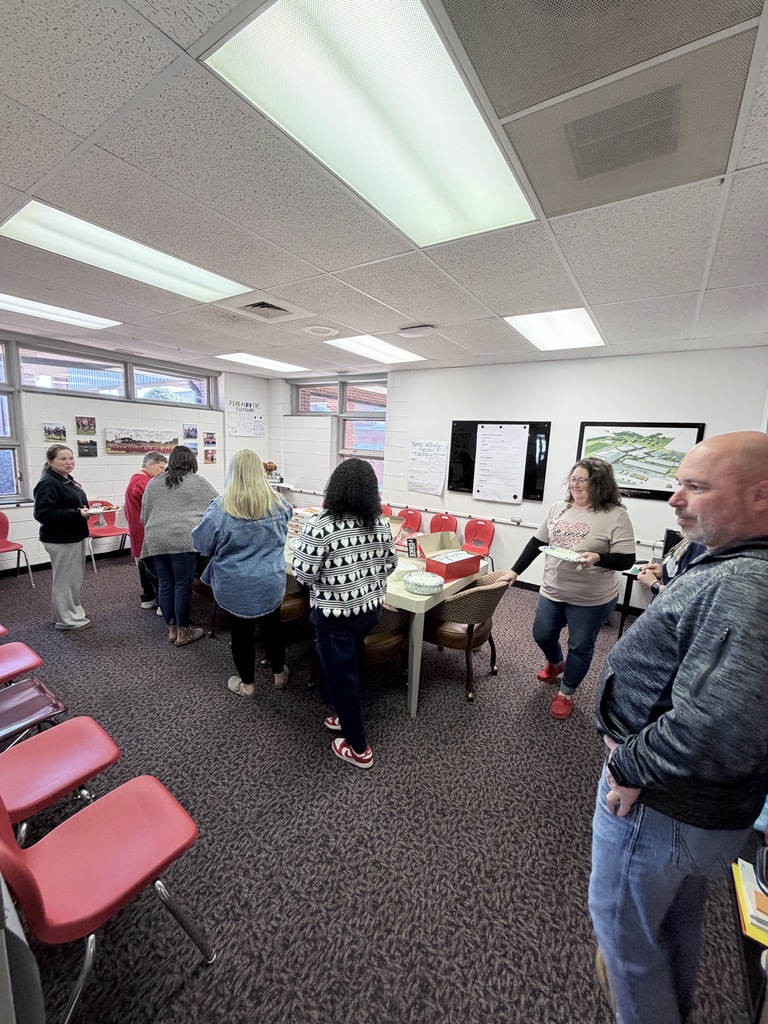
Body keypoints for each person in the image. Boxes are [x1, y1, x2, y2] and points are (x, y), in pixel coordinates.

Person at [589, 431, 768, 1024]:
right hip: (691, 806)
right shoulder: (733, 564)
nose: (675, 499)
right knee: (670, 924)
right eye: (677, 483)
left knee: (626, 942)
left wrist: (628, 766)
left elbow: (716, 723)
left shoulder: (745, 586)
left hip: (659, 800)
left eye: (695, 486)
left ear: (761, 497)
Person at [499, 457, 635, 719]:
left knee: (580, 646)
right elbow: (538, 541)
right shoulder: (559, 508)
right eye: (573, 479)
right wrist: (515, 570)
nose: (575, 484)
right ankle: (555, 663)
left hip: (591, 598)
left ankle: (566, 692)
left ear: (599, 484)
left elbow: (627, 559)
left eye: (582, 480)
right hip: (553, 589)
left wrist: (598, 557)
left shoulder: (615, 515)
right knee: (542, 634)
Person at [292, 459, 398, 769]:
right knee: (344, 665)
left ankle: (359, 748)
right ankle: (343, 711)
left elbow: (302, 574)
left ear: (334, 487)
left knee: (342, 676)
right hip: (368, 611)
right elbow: (390, 565)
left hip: (334, 616)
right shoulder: (379, 522)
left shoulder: (322, 524)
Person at [191, 450, 292, 695]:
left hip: (236, 585)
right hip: (271, 580)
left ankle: (247, 685)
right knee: (273, 629)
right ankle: (279, 675)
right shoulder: (280, 503)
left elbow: (201, 544)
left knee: (242, 635)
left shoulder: (220, 508)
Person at [140, 445, 217, 647]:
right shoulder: (197, 482)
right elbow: (218, 507)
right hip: (183, 537)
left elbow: (143, 516)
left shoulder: (154, 482)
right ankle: (183, 632)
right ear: (192, 462)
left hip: (155, 538)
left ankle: (172, 629)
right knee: (182, 585)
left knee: (165, 583)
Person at [33, 444, 92, 630]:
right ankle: (67, 620)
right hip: (60, 538)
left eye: (71, 458)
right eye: (63, 459)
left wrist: (82, 511)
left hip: (73, 535)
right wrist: (77, 514)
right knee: (65, 581)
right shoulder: (48, 483)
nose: (69, 462)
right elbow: (43, 514)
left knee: (73, 579)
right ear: (51, 461)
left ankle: (69, 612)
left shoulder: (66, 480)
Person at [123, 451, 167, 611]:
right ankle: (163, 604)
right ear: (149, 464)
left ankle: (148, 597)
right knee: (156, 569)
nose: (163, 471)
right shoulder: (144, 482)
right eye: (161, 467)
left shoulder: (136, 479)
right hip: (146, 530)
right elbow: (159, 504)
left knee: (143, 566)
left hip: (138, 529)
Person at [636, 535, 706, 597]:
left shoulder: (705, 548)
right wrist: (664, 572)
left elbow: (686, 597)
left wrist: (654, 585)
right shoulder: (692, 539)